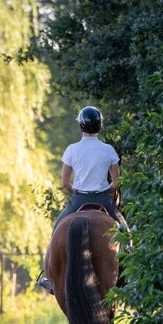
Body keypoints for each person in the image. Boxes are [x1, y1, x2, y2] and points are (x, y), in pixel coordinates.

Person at [35, 105, 129, 294]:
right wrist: (108, 189)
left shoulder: (72, 149)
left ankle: (49, 278)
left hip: (79, 199)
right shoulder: (108, 150)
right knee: (125, 232)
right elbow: (117, 181)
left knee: (56, 232)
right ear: (99, 126)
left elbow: (64, 183)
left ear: (80, 126)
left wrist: (75, 190)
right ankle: (128, 272)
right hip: (103, 199)